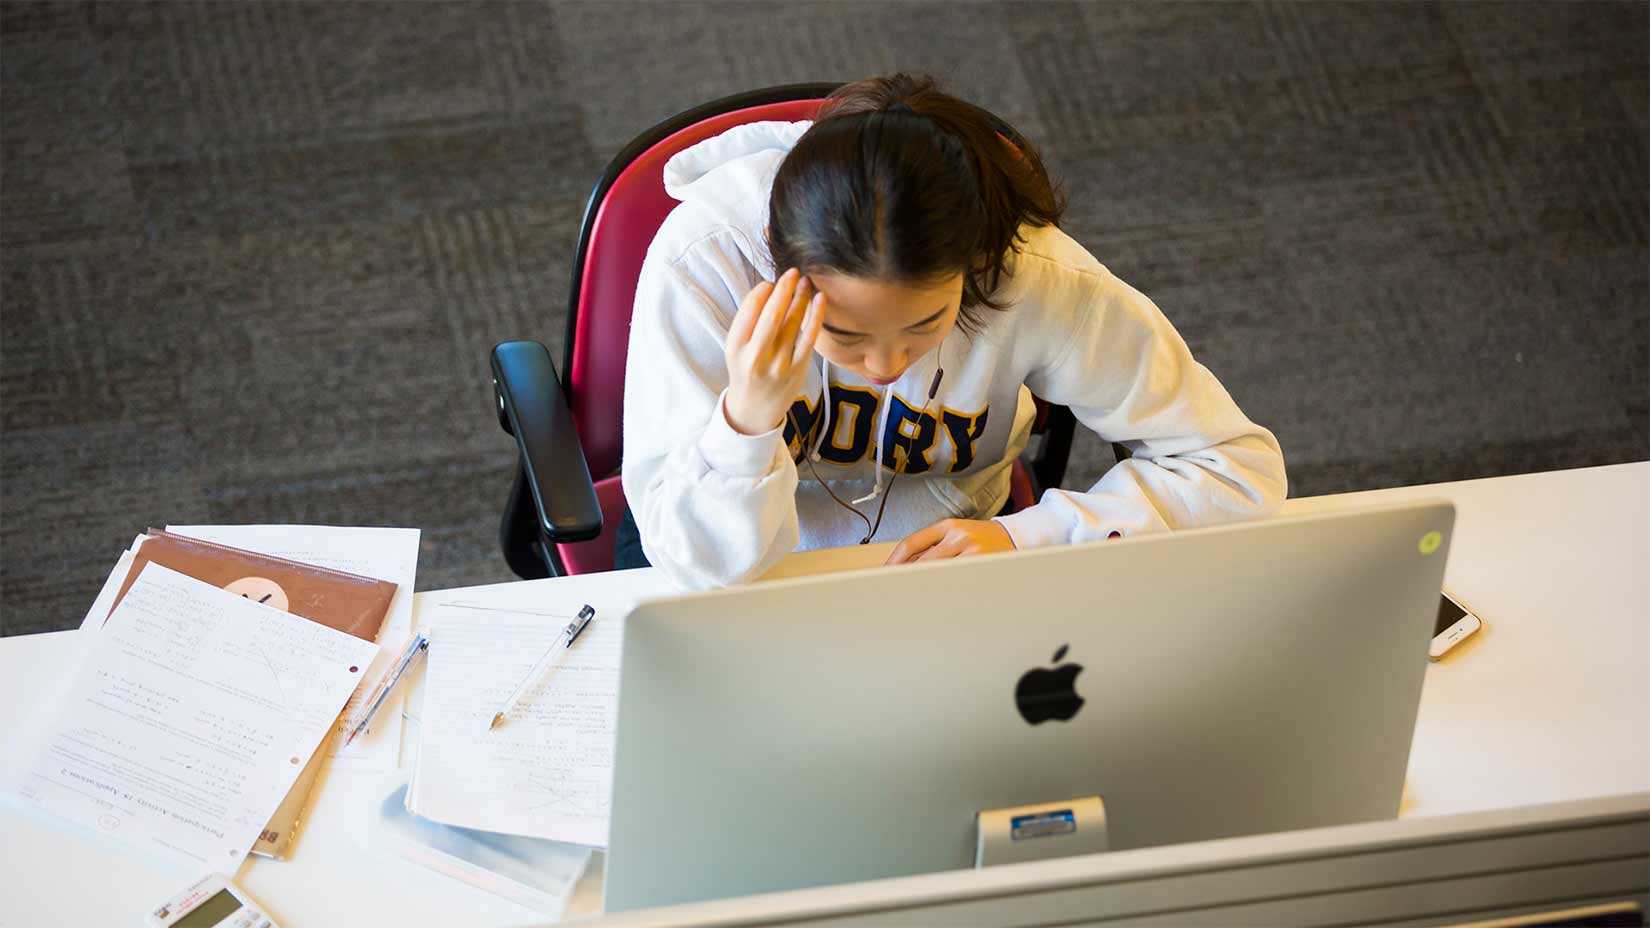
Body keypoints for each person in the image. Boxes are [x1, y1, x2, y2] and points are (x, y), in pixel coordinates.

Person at [617, 73, 1286, 589]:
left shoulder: (1032, 272)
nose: (883, 365)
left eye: (924, 325)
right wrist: (747, 418)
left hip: (950, 559)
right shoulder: (706, 262)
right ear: (777, 260)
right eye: (847, 335)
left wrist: (1030, 538)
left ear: (973, 267)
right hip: (723, 543)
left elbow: (1237, 469)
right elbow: (694, 566)